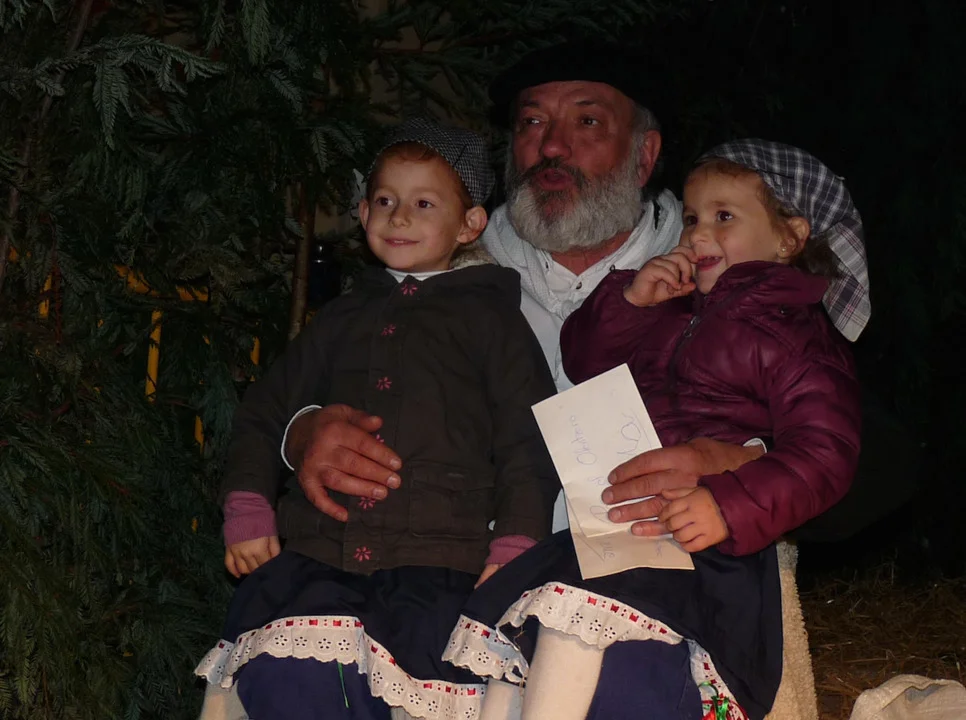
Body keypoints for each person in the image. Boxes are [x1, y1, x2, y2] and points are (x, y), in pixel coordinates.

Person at [444, 139, 866, 720]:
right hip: (618, 527)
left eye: (724, 217)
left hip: (705, 539)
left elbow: (825, 452)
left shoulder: (796, 334)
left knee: (574, 627)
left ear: (789, 237)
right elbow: (584, 360)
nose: (698, 234)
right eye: (691, 218)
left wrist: (727, 504)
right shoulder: (673, 312)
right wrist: (633, 302)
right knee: (530, 632)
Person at [195, 118, 560, 720]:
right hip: (320, 553)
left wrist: (517, 542)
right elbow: (266, 409)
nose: (400, 218)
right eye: (386, 201)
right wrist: (248, 506)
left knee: (425, 696)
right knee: (292, 677)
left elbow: (529, 439)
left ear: (469, 224)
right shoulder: (341, 318)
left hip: (441, 561)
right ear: (363, 212)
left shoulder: (493, 322)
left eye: (424, 204)